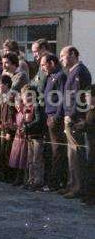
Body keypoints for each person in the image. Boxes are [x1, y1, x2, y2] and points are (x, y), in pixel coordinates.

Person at [60, 46, 92, 199]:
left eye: (63, 55)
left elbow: (78, 98)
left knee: (76, 155)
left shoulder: (79, 71)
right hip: (70, 117)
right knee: (71, 154)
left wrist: (71, 116)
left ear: (72, 54)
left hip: (75, 119)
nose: (61, 59)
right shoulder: (72, 71)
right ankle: (72, 184)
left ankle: (78, 187)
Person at [41, 53, 67, 191]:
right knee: (51, 151)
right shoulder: (49, 77)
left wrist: (57, 116)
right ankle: (53, 180)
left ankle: (56, 182)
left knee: (57, 151)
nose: (43, 68)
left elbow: (62, 98)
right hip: (48, 115)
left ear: (51, 63)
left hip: (55, 117)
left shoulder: (60, 76)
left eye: (44, 65)